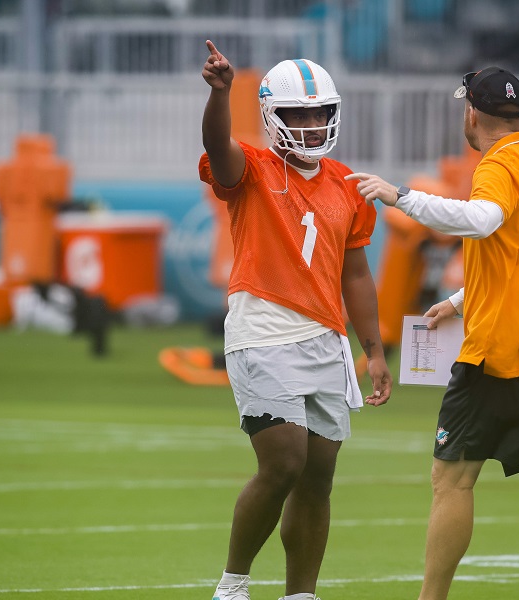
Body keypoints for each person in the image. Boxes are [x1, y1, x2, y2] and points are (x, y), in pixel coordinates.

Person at [347, 67, 519, 600]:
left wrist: (401, 197)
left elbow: (481, 220)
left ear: (472, 114)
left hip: (501, 357)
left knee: (452, 481)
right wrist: (462, 300)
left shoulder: (499, 164)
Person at [199, 40, 393, 600]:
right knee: (283, 461)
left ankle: (300, 595)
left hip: (326, 340)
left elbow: (355, 275)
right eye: (296, 114)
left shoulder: (347, 185)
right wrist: (219, 95)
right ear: (271, 117)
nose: (309, 125)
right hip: (262, 331)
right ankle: (233, 585)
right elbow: (218, 144)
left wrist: (375, 350)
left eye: (319, 114)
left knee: (318, 476)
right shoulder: (254, 169)